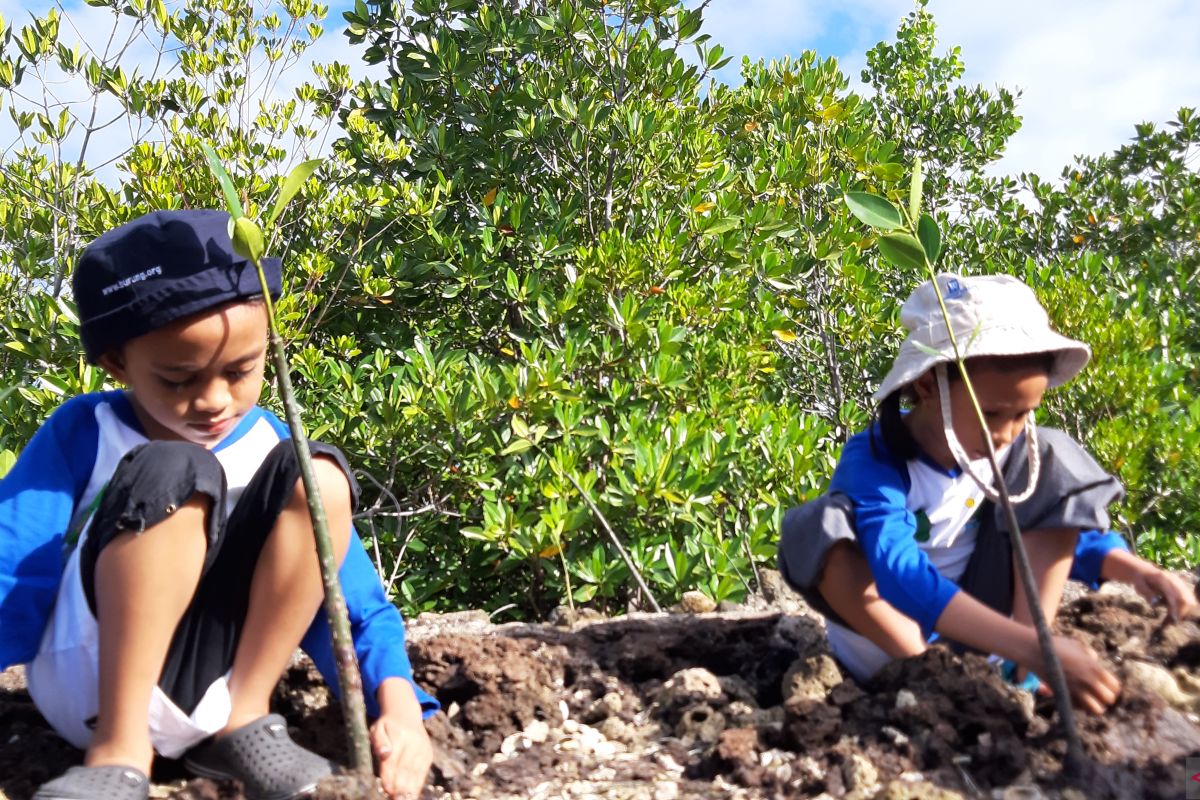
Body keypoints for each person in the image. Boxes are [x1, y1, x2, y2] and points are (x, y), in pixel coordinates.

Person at [0, 210, 439, 800]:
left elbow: (350, 600)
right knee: (175, 473)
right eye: (178, 379)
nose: (213, 400)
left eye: (239, 371)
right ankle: (122, 752)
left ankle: (245, 721)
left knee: (321, 479)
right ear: (117, 363)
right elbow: (14, 569)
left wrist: (400, 704)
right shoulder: (87, 430)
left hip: (219, 689)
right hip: (93, 692)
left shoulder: (269, 444)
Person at [777, 273, 1196, 713]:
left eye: (1024, 414)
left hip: (996, 640)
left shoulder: (1014, 455)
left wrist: (1133, 570)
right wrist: (1037, 647)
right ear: (927, 386)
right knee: (821, 526)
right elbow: (898, 573)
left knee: (1054, 455)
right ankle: (939, 675)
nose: (1007, 433)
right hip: (892, 648)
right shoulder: (877, 460)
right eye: (992, 413)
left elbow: (1058, 527)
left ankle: (1018, 675)